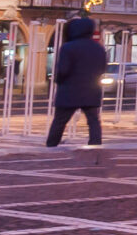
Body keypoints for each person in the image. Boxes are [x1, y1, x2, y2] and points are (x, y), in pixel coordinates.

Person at [45, 16, 108, 148]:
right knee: (93, 121)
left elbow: (63, 70)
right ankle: (95, 145)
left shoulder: (68, 47)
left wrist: (59, 81)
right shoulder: (98, 48)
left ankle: (51, 145)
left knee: (60, 121)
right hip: (91, 90)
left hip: (69, 90)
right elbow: (103, 68)